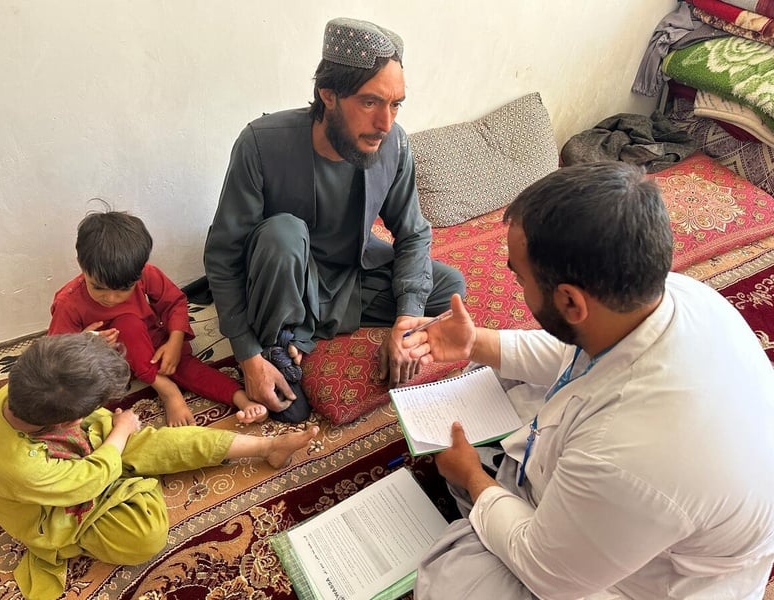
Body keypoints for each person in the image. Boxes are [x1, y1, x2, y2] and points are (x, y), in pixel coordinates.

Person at [398, 162, 774, 599]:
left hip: (643, 580)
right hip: (649, 491)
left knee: (456, 579)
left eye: (518, 276)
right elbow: (574, 350)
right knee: (488, 373)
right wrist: (474, 342)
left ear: (572, 301)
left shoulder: (625, 455)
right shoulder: (678, 295)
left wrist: (471, 478)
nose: (515, 283)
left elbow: (546, 572)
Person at [203, 17, 466, 421]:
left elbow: (413, 233)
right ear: (328, 94)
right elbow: (223, 255)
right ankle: (280, 344)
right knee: (283, 233)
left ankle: (309, 333)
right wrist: (247, 355)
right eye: (369, 102)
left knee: (447, 286)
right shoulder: (260, 143)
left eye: (395, 104)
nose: (385, 123)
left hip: (351, 276)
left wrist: (407, 323)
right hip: (288, 278)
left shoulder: (393, 143)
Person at [0, 333, 318, 600]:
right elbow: (88, 480)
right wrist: (121, 432)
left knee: (158, 441)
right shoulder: (21, 467)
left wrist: (92, 347)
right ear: (70, 422)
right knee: (143, 536)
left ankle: (266, 447)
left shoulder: (13, 394)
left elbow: (63, 368)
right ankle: (131, 471)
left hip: (74, 457)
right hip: (56, 510)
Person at [48, 209, 268, 426]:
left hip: (154, 348)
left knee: (189, 368)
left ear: (140, 270)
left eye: (123, 289)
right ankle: (168, 391)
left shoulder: (146, 274)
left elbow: (175, 303)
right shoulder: (69, 302)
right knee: (67, 398)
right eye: (99, 288)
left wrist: (174, 341)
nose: (111, 298)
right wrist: (86, 341)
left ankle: (242, 399)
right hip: (112, 362)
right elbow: (55, 351)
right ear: (81, 264)